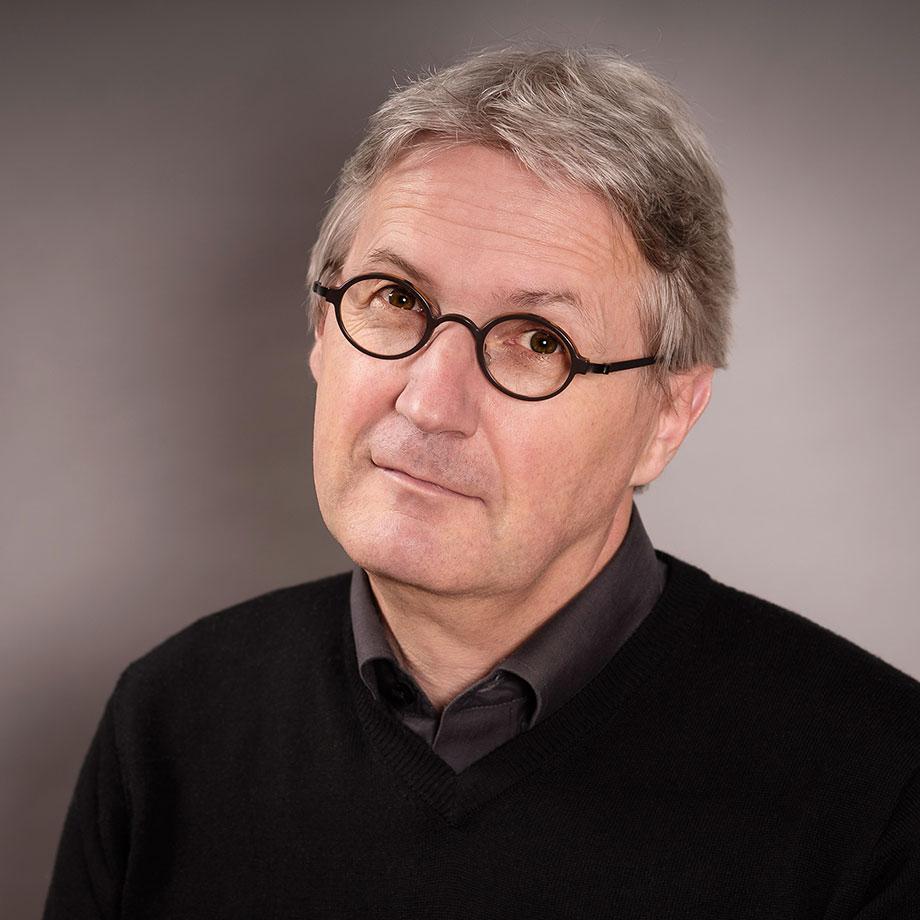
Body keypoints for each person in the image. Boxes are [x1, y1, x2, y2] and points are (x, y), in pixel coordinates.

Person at [44, 47, 920, 919]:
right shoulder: (171, 721)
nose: (429, 402)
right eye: (396, 298)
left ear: (668, 418)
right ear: (322, 329)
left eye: (539, 340)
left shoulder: (881, 789)